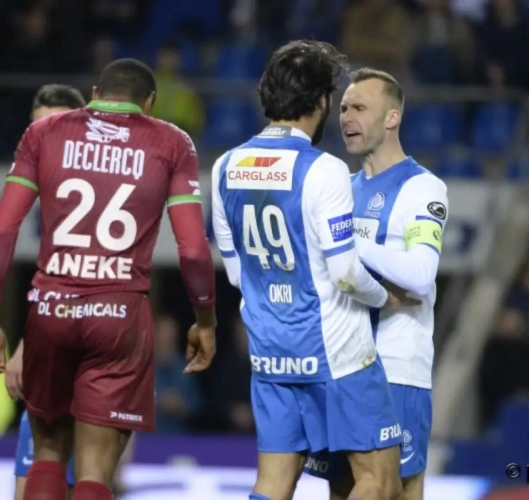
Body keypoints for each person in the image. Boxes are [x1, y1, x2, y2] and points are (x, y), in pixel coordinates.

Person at [0, 58, 217, 500]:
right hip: (118, 316)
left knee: (48, 453)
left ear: (94, 93)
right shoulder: (171, 141)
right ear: (150, 102)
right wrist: (205, 320)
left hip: (51, 307)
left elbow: (3, 230)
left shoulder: (43, 133)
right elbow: (195, 250)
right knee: (96, 470)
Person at [211, 41, 413, 500]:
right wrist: (384, 297)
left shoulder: (225, 167)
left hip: (270, 351)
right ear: (321, 101)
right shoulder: (323, 169)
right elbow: (345, 273)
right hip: (336, 354)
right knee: (379, 481)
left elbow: (237, 275)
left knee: (274, 481)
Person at [305, 68, 449, 500]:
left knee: (398, 489)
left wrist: (348, 242)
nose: (347, 117)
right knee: (346, 489)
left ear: (392, 118)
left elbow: (420, 273)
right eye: (344, 108)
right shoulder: (341, 191)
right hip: (342, 365)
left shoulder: (422, 187)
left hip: (396, 367)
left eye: (360, 108)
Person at [8, 83, 86, 500]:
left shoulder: (92, 194)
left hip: (89, 360)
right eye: (36, 129)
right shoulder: (49, 196)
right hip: (53, 353)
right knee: (30, 485)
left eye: (54, 127)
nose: (42, 139)